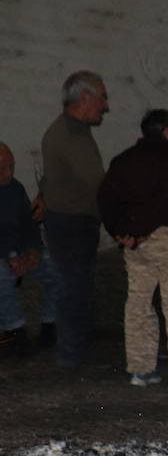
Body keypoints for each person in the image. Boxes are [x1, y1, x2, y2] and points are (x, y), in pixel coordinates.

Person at [97, 109, 168, 391]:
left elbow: (106, 198)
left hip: (136, 245)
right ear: (167, 131)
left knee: (138, 303)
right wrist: (145, 228)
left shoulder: (122, 161)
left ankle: (141, 368)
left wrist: (124, 232)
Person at [38, 70, 108, 370]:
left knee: (75, 285)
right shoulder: (71, 134)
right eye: (102, 98)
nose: (105, 106)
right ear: (85, 97)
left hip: (68, 220)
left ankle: (74, 351)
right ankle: (71, 355)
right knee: (73, 286)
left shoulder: (68, 130)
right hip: (71, 223)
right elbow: (96, 183)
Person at [0, 142, 58, 357]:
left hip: (19, 253)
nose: (8, 173)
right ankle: (14, 331)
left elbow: (28, 225)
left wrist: (32, 250)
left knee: (56, 265)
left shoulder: (15, 189)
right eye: (2, 168)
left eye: (11, 166)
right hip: (5, 256)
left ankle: (50, 324)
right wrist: (10, 256)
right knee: (1, 275)